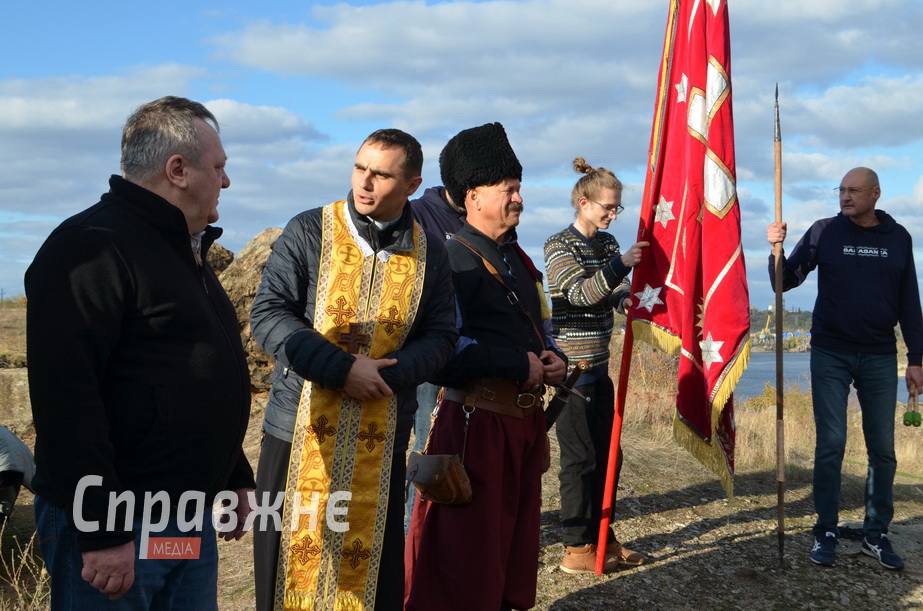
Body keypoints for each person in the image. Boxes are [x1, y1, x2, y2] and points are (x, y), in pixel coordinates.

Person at [25, 96, 254, 608]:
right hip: (121, 526)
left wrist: (233, 474)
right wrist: (102, 531)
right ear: (178, 170)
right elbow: (67, 402)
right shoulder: (89, 246)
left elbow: (193, 376)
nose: (226, 181)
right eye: (218, 167)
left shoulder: (182, 247)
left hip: (185, 519)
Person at [249, 128, 457, 610]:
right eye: (360, 167)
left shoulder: (431, 252)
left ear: (412, 184)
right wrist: (341, 370)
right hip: (296, 429)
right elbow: (269, 314)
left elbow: (441, 336)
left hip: (382, 434)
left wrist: (385, 376)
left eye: (381, 174)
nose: (364, 182)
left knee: (369, 577)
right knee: (285, 572)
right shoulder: (310, 229)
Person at [404, 122, 567, 611]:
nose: (519, 198)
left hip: (521, 424)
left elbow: (540, 325)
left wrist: (552, 358)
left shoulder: (520, 258)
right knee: (465, 554)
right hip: (476, 427)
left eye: (518, 188)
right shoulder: (451, 258)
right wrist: (517, 364)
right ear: (473, 195)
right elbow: (441, 350)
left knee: (510, 546)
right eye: (508, 189)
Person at [767, 167, 923, 571]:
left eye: (854, 190)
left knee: (883, 448)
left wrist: (917, 359)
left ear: (875, 193)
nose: (845, 196)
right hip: (830, 351)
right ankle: (826, 530)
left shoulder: (899, 237)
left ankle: (876, 533)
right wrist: (775, 250)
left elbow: (910, 301)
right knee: (831, 443)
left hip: (880, 354)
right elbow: (784, 282)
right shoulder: (825, 231)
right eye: (841, 190)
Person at [543, 157, 649, 574]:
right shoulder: (558, 246)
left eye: (617, 208)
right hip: (572, 373)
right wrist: (622, 265)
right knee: (580, 460)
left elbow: (614, 289)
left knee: (608, 457)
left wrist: (627, 301)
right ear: (583, 203)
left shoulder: (606, 244)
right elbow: (579, 293)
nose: (613, 214)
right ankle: (576, 548)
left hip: (600, 368)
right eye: (608, 207)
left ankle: (604, 535)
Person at [404, 185, 466, 532]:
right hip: (430, 353)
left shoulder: (477, 216)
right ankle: (414, 530)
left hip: (467, 354)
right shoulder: (418, 213)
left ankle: (447, 527)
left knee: (457, 445)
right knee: (428, 443)